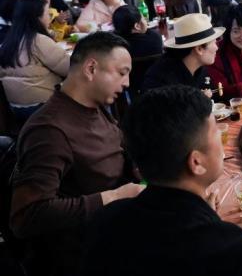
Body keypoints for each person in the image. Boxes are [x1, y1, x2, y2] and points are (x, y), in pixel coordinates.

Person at [81, 84, 242, 276]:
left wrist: (205, 216)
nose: (222, 142)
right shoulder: (230, 249)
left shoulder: (105, 221)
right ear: (196, 162)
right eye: (216, 133)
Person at [10, 32, 143, 275]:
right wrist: (113, 197)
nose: (127, 83)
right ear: (91, 68)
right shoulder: (49, 130)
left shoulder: (96, 106)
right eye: (122, 73)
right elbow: (26, 216)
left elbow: (118, 146)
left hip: (117, 225)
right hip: (84, 253)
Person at [0, 0, 70, 122]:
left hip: (15, 107)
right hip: (42, 106)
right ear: (37, 18)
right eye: (47, 14)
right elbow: (69, 69)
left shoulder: (7, 42)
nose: (50, 17)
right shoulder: (38, 40)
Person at [142, 13, 224, 92]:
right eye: (214, 42)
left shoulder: (200, 69)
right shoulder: (160, 81)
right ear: (199, 49)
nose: (217, 48)